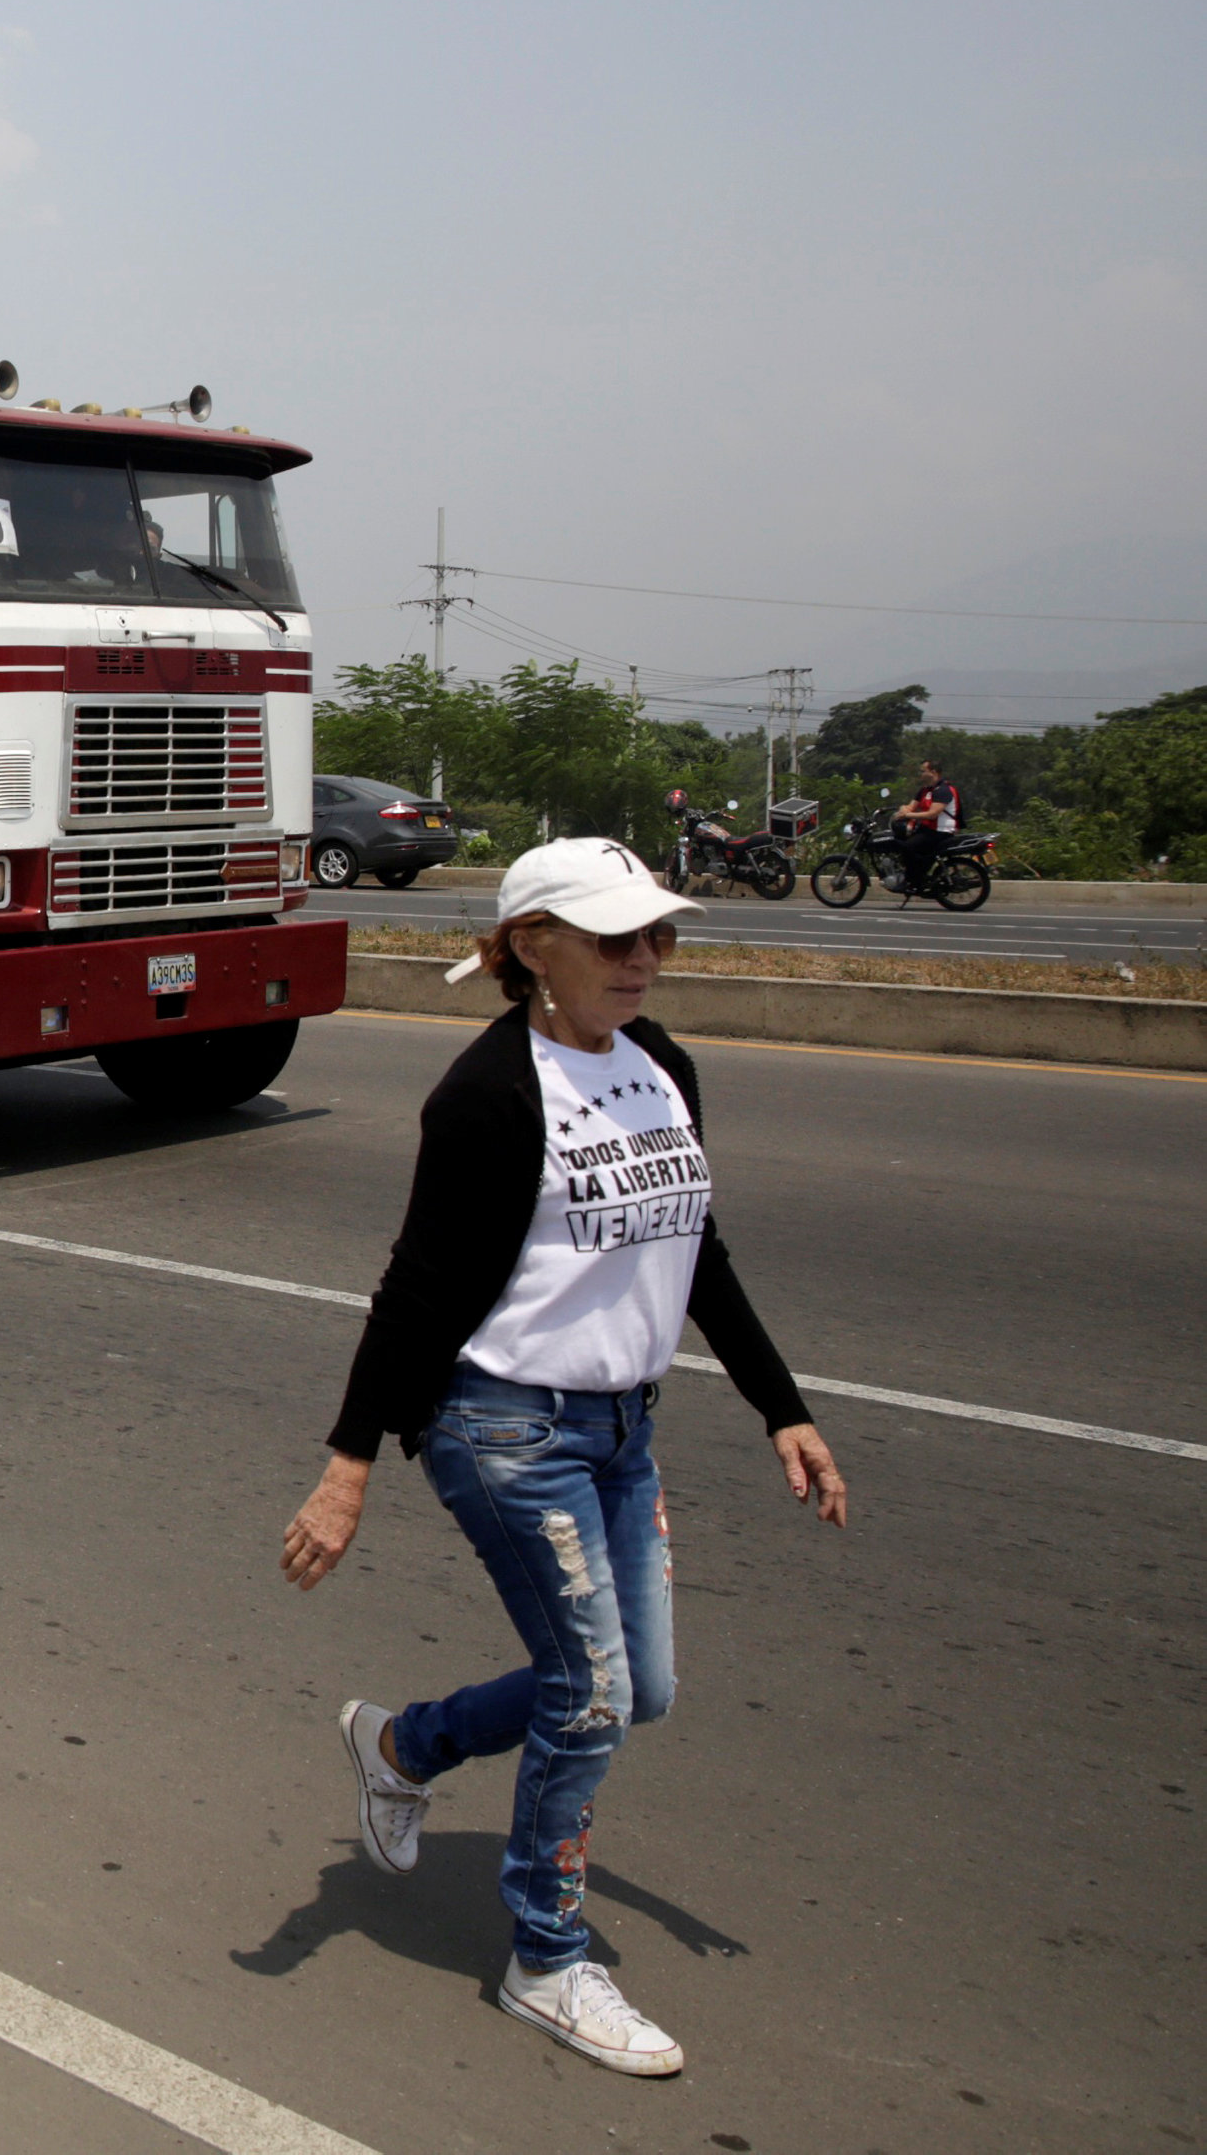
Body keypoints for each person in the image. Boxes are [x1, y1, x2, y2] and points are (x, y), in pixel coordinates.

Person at [279, 838, 849, 2077]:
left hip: (620, 1428)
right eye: (613, 939)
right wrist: (348, 1464)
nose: (644, 959)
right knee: (587, 1696)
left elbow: (696, 1248)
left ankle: (401, 1746)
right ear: (530, 943)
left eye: (657, 937)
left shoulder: (663, 1066)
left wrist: (779, 1406)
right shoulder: (488, 1093)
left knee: (628, 1685)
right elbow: (416, 1291)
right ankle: (543, 1956)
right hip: (503, 1427)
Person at [891, 758, 960, 887]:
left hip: (940, 831)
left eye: (923, 771)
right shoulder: (925, 790)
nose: (920, 774)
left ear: (933, 772)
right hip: (927, 830)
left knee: (907, 847)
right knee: (898, 841)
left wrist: (908, 815)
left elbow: (932, 814)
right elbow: (911, 806)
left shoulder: (943, 790)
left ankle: (915, 878)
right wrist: (902, 810)